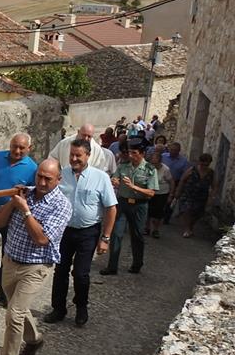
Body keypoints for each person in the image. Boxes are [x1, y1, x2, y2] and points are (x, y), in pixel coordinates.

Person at [0, 159, 72, 355]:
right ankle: (35, 339)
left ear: (58, 179)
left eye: (48, 178)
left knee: (14, 313)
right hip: (10, 260)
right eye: (39, 176)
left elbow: (41, 238)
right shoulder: (24, 194)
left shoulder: (61, 206)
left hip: (35, 266)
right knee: (18, 308)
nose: (42, 182)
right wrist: (12, 203)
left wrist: (25, 211)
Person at [45, 139, 117, 327]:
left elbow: (111, 208)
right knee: (60, 270)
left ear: (88, 156)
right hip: (64, 231)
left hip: (88, 232)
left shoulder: (101, 178)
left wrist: (105, 238)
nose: (74, 159)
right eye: (72, 155)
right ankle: (58, 309)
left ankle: (81, 307)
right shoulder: (62, 175)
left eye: (79, 155)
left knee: (81, 273)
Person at [0, 133, 38, 308]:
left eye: (21, 148)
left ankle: (4, 295)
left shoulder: (33, 168)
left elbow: (33, 194)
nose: (17, 151)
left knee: (7, 256)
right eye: (14, 146)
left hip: (14, 217)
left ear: (29, 149)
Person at [101, 140, 158, 275]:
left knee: (137, 235)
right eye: (129, 152)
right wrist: (114, 181)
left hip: (139, 205)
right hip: (122, 202)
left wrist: (134, 187)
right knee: (116, 234)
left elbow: (151, 192)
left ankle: (137, 264)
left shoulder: (150, 169)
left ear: (142, 154)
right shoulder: (123, 166)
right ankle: (112, 266)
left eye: (134, 153)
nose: (131, 155)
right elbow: (115, 179)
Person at [172, 153, 217, 238]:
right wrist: (178, 191)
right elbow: (182, 180)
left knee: (198, 213)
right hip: (188, 194)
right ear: (200, 162)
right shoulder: (192, 170)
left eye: (206, 164)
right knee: (186, 210)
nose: (204, 166)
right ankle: (187, 229)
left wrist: (212, 197)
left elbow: (214, 186)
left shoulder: (211, 173)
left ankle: (190, 227)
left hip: (201, 197)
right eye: (202, 164)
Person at [48, 123, 117, 175]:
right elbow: (53, 159)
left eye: (89, 136)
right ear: (78, 132)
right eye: (84, 135)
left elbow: (99, 169)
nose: (86, 138)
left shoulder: (97, 150)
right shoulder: (64, 143)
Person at [145, 149, 174, 238]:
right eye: (152, 162)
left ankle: (156, 229)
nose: (153, 164)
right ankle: (147, 228)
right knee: (148, 211)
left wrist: (171, 194)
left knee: (158, 212)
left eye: (155, 162)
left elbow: (171, 181)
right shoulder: (148, 167)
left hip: (162, 193)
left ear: (159, 161)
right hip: (149, 192)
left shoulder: (165, 169)